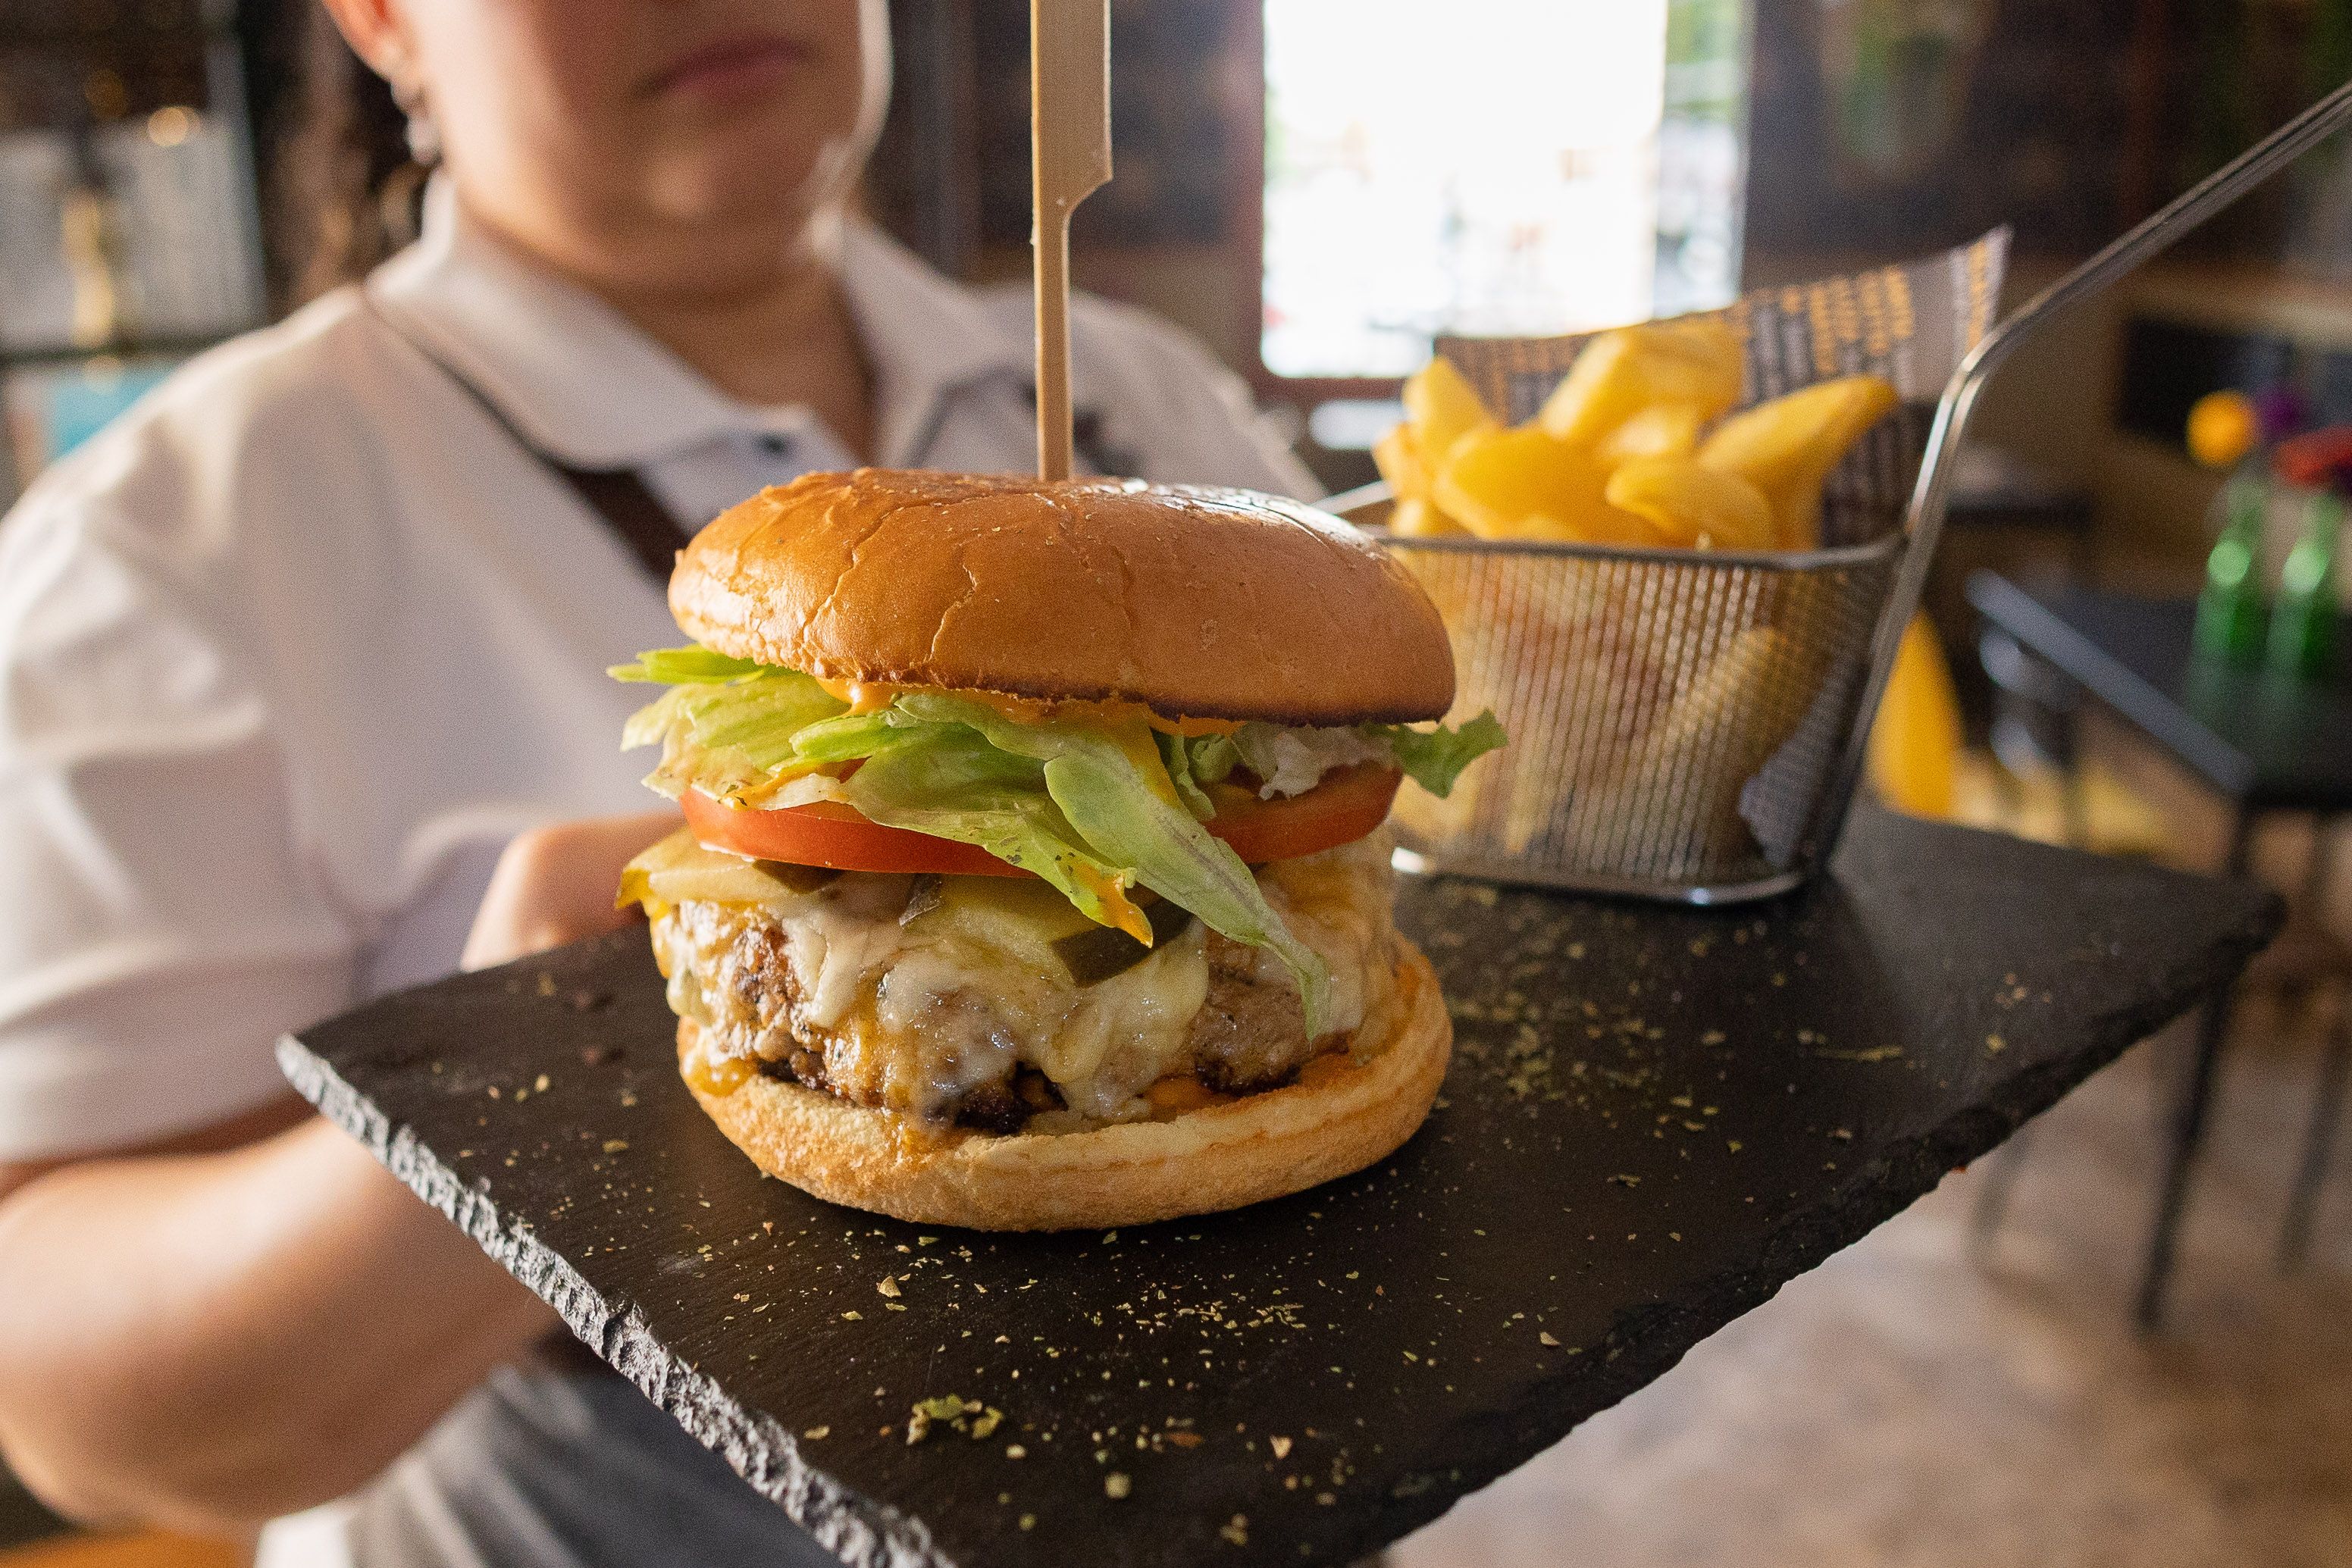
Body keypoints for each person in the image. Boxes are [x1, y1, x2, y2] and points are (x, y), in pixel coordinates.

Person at [0, 2, 1314, 1563]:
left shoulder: (1141, 400)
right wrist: (504, 1117)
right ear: (378, 20)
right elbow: (84, 1407)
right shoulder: (180, 540)